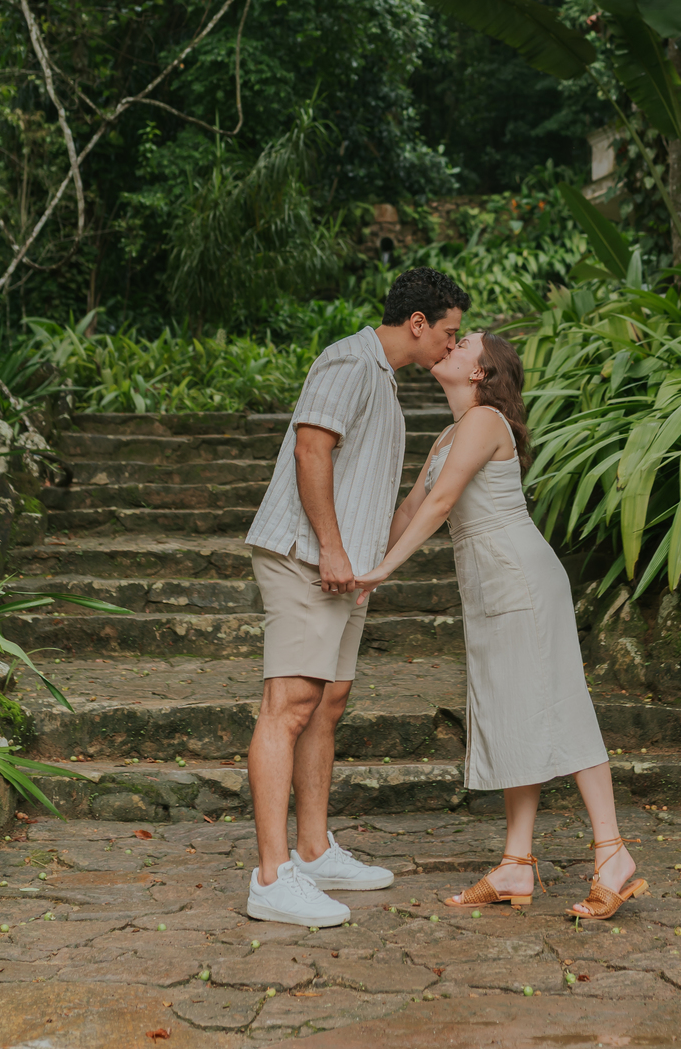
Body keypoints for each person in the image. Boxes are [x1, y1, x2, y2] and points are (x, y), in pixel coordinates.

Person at [355, 329, 647, 922]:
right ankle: (517, 862)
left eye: (464, 345)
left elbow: (439, 508)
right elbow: (413, 507)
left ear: (482, 373)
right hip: (491, 588)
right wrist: (362, 568)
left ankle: (613, 853)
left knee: (560, 705)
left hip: (521, 581)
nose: (451, 346)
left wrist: (384, 569)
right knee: (512, 711)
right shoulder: (450, 433)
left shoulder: (486, 421)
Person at [243, 265, 470, 927]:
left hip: (341, 568)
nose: (452, 349)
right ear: (418, 322)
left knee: (328, 702)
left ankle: (312, 851)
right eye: (449, 335)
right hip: (304, 556)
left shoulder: (385, 384)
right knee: (288, 706)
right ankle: (271, 876)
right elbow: (311, 450)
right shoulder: (348, 360)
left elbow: (367, 486)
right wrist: (335, 549)